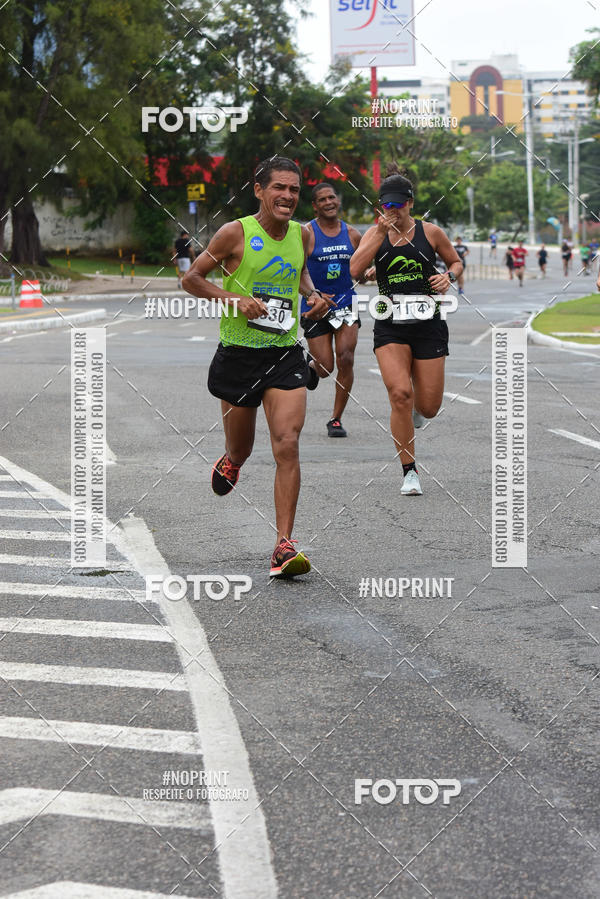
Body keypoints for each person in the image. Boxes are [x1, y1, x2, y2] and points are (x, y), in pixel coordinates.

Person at [182, 156, 332, 578]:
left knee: (287, 442)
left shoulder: (303, 234)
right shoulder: (235, 232)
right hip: (239, 354)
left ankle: (283, 546)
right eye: (279, 187)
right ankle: (232, 459)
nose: (287, 196)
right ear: (259, 190)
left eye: (294, 189)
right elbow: (191, 279)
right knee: (242, 447)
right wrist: (235, 299)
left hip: (283, 354)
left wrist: (313, 295)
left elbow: (298, 274)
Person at [349, 164, 462, 497]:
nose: (393, 210)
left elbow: (455, 262)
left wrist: (448, 277)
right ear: (380, 206)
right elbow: (355, 271)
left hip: (428, 325)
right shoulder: (375, 234)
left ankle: (416, 409)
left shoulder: (431, 232)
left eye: (398, 204)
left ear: (410, 203)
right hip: (390, 325)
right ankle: (409, 471)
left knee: (428, 407)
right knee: (399, 393)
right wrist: (378, 239)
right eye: (387, 205)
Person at [300, 183, 362, 437]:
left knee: (346, 358)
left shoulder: (353, 234)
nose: (328, 202)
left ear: (338, 200)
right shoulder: (307, 233)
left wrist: (369, 273)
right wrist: (312, 294)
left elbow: (362, 269)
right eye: (322, 199)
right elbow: (296, 271)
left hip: (346, 304)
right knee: (326, 368)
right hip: (315, 307)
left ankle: (336, 419)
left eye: (332, 197)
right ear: (315, 206)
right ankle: (311, 365)